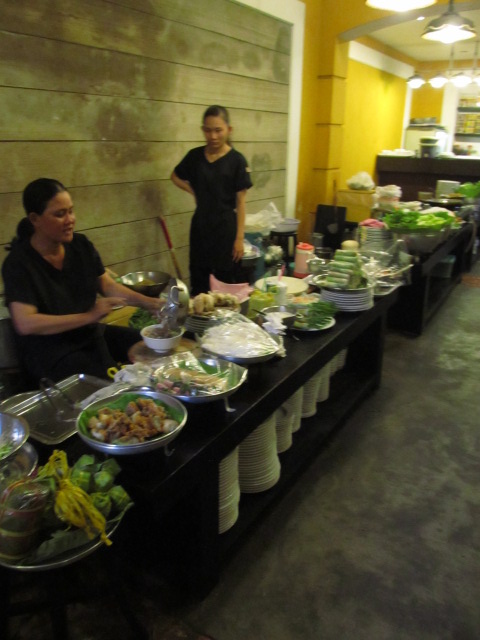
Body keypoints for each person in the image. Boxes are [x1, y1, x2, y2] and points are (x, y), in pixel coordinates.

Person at [2, 178, 163, 385]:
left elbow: (108, 286)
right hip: (51, 352)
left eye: (71, 211)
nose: (70, 219)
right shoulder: (18, 264)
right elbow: (26, 323)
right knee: (112, 384)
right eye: (60, 214)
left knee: (156, 348)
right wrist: (89, 316)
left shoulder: (81, 245)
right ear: (35, 219)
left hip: (88, 334)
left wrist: (149, 303)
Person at [171, 105, 253, 295]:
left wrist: (239, 239)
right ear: (202, 130)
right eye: (208, 130)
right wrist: (194, 191)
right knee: (199, 280)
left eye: (218, 130)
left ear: (228, 130)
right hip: (200, 227)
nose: (213, 136)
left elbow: (241, 202)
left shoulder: (237, 161)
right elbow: (175, 176)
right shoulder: (194, 156)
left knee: (225, 283)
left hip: (226, 229)